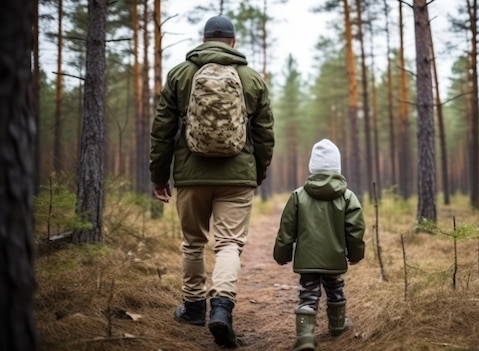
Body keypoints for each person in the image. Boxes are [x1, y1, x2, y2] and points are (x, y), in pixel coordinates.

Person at [149, 14, 274, 348]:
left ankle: (192, 308)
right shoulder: (252, 79)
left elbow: (162, 131)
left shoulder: (179, 74)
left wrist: (159, 176)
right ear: (232, 42)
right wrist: (256, 172)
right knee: (229, 243)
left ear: (204, 40)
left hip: (190, 175)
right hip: (237, 176)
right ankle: (221, 308)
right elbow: (264, 134)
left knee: (193, 242)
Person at [273, 139, 365, 351]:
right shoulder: (348, 197)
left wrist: (282, 254)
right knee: (335, 289)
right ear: (337, 167)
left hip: (307, 260)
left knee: (308, 293)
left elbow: (286, 229)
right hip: (335, 258)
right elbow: (355, 230)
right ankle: (338, 325)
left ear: (312, 168)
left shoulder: (298, 196)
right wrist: (356, 253)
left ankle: (305, 336)